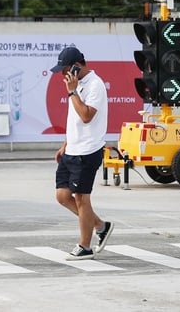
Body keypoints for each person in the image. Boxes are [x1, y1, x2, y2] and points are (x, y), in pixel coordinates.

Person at [49, 46, 114, 260]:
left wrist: (72, 91)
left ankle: (85, 247)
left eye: (64, 69)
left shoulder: (95, 85)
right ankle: (100, 226)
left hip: (87, 151)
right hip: (72, 149)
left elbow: (86, 116)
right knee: (62, 196)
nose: (62, 74)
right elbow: (74, 120)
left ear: (77, 66)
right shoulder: (75, 85)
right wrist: (65, 144)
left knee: (81, 199)